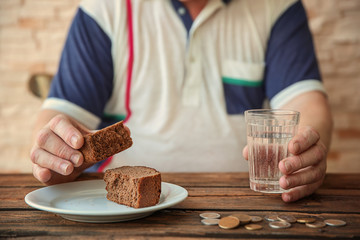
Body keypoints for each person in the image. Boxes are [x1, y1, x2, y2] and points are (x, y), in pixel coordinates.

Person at [30, 0, 333, 203]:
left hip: (242, 201)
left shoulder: (277, 6)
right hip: (119, 210)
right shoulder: (104, 9)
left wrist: (302, 150)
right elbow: (60, 114)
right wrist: (57, 153)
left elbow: (307, 102)